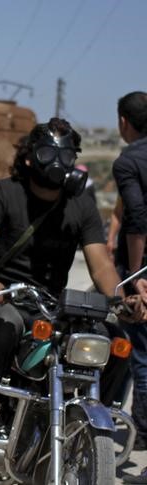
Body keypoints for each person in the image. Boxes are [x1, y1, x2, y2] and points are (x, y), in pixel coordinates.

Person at [0, 118, 137, 484]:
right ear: (29, 158)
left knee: (117, 340)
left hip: (53, 306)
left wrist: (121, 297)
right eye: (46, 153)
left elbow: (100, 261)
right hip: (6, 296)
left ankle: (92, 420)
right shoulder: (2, 192)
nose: (56, 162)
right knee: (2, 324)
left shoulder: (81, 202)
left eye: (66, 154)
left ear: (75, 159)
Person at [112, 91, 147, 452]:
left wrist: (135, 274)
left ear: (124, 121)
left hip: (144, 269)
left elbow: (136, 218)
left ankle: (144, 430)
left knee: (142, 351)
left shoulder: (128, 161)